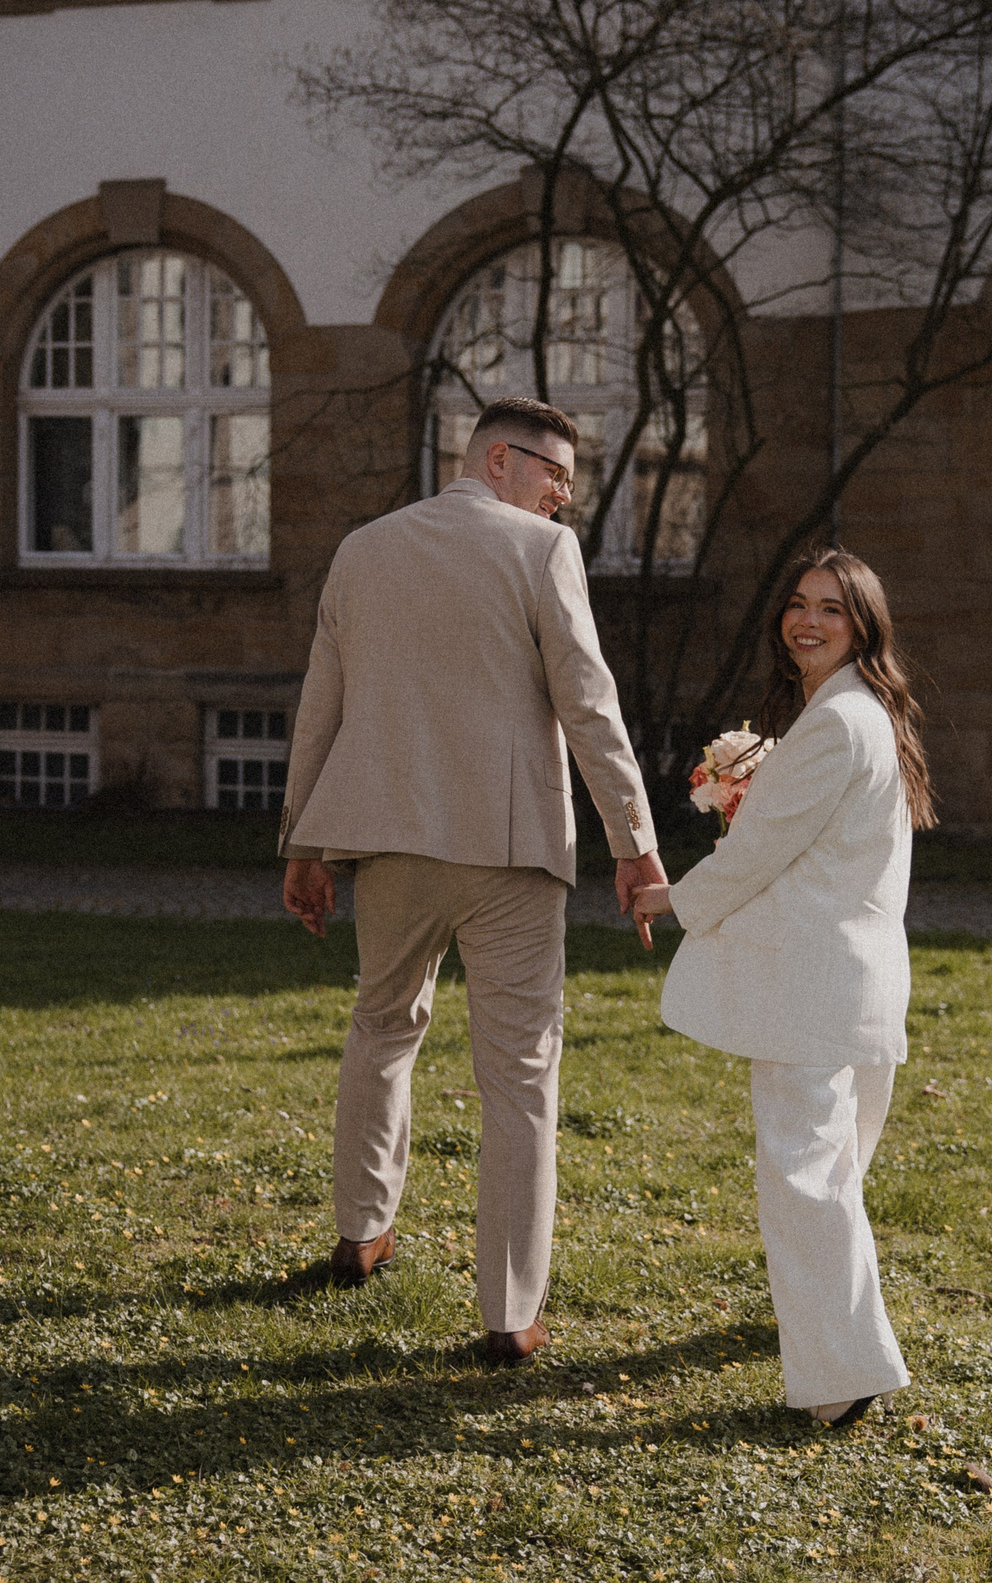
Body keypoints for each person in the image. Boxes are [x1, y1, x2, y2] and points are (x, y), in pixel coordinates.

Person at [278, 396, 666, 1366]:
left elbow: (319, 704)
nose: (562, 500)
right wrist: (634, 840)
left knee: (381, 1026)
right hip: (507, 851)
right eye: (554, 478)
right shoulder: (539, 554)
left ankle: (362, 1234)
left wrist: (303, 842)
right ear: (499, 459)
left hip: (388, 841)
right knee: (522, 1078)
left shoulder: (362, 550)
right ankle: (508, 1316)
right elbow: (587, 699)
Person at [631, 549, 934, 1428]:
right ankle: (823, 1327)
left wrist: (671, 896)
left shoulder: (839, 721)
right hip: (855, 979)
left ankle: (843, 1374)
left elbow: (760, 851)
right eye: (798, 604)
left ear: (863, 625)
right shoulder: (863, 710)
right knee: (832, 1167)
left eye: (832, 610)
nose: (808, 621)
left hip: (813, 982)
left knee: (805, 1176)